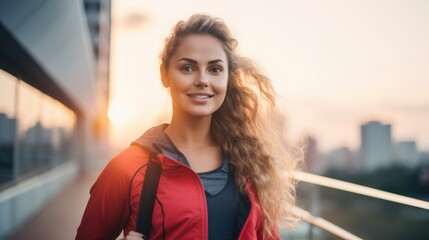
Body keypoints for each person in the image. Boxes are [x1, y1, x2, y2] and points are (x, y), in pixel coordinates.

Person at [76, 14, 301, 240]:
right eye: (187, 68)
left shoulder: (250, 164)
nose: (202, 80)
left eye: (214, 69)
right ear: (165, 74)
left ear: (228, 78)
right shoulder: (126, 168)